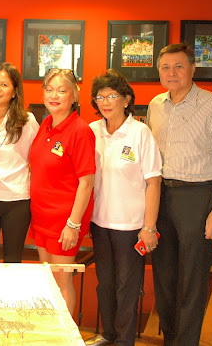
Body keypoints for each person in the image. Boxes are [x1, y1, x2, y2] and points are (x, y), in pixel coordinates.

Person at [147, 43, 212, 346]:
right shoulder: (155, 105)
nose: (172, 73)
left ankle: (186, 341)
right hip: (162, 196)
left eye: (179, 66)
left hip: (198, 198)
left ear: (192, 69)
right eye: (165, 67)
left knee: (192, 278)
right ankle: (170, 337)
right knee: (164, 273)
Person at [85, 70, 162, 346]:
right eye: (100, 97)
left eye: (112, 96)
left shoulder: (140, 133)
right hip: (99, 224)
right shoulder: (92, 131)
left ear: (127, 99)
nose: (105, 102)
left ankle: (124, 340)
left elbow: (154, 182)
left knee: (126, 288)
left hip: (130, 227)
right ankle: (109, 334)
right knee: (105, 284)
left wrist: (149, 227)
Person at [28, 68, 95, 315]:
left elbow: (86, 183)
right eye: (49, 89)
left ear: (74, 96)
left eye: (61, 90)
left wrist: (73, 224)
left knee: (61, 280)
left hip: (64, 222)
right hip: (41, 217)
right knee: (47, 279)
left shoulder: (80, 130)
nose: (54, 95)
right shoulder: (45, 124)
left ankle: (65, 333)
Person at [0, 63, 39, 263]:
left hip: (17, 200)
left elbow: (38, 159)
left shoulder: (27, 121)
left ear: (14, 92)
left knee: (13, 260)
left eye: (4, 85)